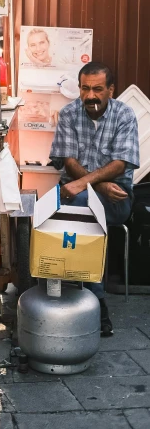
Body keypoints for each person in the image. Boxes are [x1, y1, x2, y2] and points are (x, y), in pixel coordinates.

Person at [50, 61, 139, 336]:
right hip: (82, 195)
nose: (90, 96)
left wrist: (85, 184)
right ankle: (87, 299)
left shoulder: (125, 115)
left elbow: (121, 163)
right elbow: (69, 160)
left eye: (98, 89)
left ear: (110, 90)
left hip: (117, 198)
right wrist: (96, 186)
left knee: (78, 210)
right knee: (51, 210)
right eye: (85, 89)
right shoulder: (68, 114)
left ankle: (83, 300)